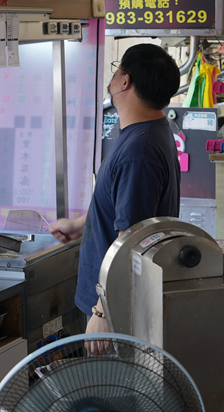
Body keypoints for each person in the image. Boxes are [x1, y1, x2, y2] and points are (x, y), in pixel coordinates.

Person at [49, 43, 181, 340]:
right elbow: (127, 208)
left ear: (125, 81)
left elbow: (132, 240)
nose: (114, 76)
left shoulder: (139, 151)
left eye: (117, 68)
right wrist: (82, 226)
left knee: (116, 384)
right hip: (118, 301)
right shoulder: (148, 130)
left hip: (119, 309)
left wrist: (102, 312)